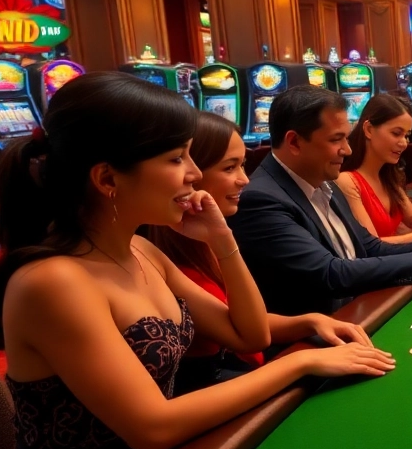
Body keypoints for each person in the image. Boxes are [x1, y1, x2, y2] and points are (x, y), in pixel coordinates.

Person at [0, 74, 394, 449]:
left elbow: (250, 334)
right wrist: (301, 361)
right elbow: (154, 427)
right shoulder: (53, 282)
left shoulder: (143, 252)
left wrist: (222, 240)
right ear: (107, 178)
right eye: (176, 159)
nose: (195, 174)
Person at [147, 111, 377, 395]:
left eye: (242, 165)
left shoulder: (202, 241)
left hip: (247, 376)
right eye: (230, 167)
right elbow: (249, 337)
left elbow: (246, 326)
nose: (245, 180)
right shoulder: (164, 257)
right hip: (221, 395)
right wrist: (300, 361)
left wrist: (309, 321)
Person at [228, 86, 412, 317]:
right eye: (336, 139)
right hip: (315, 341)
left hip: (361, 312)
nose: (348, 149)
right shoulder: (262, 200)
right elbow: (331, 273)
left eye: (346, 136)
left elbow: (369, 248)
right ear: (295, 141)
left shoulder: (325, 183)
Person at [336, 94, 412, 243]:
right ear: (369, 129)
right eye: (396, 133)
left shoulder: (387, 176)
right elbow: (371, 246)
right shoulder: (347, 181)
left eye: (407, 135)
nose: (404, 143)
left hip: (396, 261)